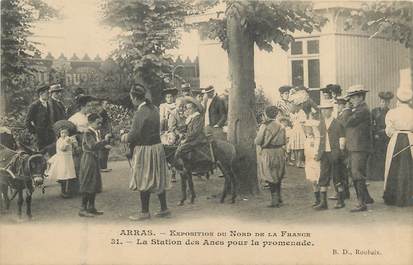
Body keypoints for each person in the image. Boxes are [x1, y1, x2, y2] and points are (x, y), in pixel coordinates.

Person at [121, 84, 171, 221]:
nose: (131, 100)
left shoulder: (140, 112)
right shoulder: (154, 108)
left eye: (131, 98)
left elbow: (135, 134)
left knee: (143, 177)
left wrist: (124, 136)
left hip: (145, 149)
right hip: (157, 147)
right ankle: (164, 208)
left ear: (134, 97)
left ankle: (144, 212)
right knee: (158, 176)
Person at [343, 85, 374, 212]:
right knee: (356, 172)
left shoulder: (362, 110)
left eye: (353, 97)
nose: (350, 100)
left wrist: (346, 109)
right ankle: (366, 198)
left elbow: (347, 122)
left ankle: (361, 203)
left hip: (359, 147)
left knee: (356, 173)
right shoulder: (358, 109)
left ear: (361, 97)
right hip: (356, 146)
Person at [383, 85, 413, 207]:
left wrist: (395, 132)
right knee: (409, 165)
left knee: (393, 165)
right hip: (410, 139)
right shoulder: (412, 112)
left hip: (396, 139)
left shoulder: (392, 112)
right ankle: (408, 196)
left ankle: (393, 196)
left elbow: (388, 131)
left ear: (398, 100)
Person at [314, 102, 346, 210]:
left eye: (326, 109)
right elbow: (319, 139)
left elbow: (342, 138)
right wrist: (317, 152)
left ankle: (341, 200)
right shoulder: (321, 124)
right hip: (324, 154)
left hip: (335, 153)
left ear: (331, 110)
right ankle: (324, 203)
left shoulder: (337, 123)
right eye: (322, 110)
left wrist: (340, 152)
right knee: (323, 176)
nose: (324, 112)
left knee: (337, 176)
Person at [78, 113, 111, 217]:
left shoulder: (95, 132)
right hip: (88, 159)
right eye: (98, 122)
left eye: (100, 122)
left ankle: (91, 207)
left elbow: (97, 145)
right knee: (88, 182)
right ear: (90, 122)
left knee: (94, 182)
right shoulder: (87, 133)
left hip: (94, 158)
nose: (100, 124)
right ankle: (82, 209)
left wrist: (104, 145)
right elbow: (92, 146)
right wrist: (105, 141)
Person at [255, 106, 287, 208]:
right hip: (280, 151)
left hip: (268, 152)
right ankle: (279, 197)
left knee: (270, 175)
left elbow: (258, 141)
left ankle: (274, 200)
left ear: (266, 115)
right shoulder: (281, 126)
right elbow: (285, 140)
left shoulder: (264, 126)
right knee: (278, 175)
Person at [368, 91, 394, 181]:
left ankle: (384, 175)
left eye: (386, 102)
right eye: (382, 102)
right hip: (376, 137)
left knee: (385, 156)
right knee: (376, 156)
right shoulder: (374, 111)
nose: (384, 104)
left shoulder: (391, 112)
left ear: (389, 103)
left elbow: (392, 126)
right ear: (380, 102)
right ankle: (375, 176)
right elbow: (370, 124)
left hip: (386, 137)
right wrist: (374, 133)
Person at [47, 127, 77, 198]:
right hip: (62, 159)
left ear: (68, 133)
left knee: (69, 176)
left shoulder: (69, 139)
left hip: (68, 159)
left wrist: (73, 143)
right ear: (60, 134)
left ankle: (69, 191)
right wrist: (67, 142)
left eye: (65, 133)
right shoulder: (59, 140)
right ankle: (63, 191)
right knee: (63, 175)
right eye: (62, 133)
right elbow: (62, 148)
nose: (63, 134)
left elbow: (74, 147)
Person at [25, 85, 55, 151]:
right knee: (42, 155)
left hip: (50, 136)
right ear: (41, 94)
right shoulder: (34, 105)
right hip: (40, 138)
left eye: (49, 93)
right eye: (47, 93)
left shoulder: (49, 104)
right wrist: (35, 132)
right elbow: (27, 122)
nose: (49, 95)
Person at [302, 115, 321, 207]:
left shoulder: (317, 139)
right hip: (309, 161)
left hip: (316, 161)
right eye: (306, 128)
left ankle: (321, 199)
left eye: (308, 128)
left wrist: (316, 155)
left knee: (317, 180)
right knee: (313, 180)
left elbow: (317, 150)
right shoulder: (307, 139)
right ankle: (317, 199)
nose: (306, 129)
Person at [287, 90, 307, 168]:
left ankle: (297, 161)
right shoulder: (302, 112)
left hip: (294, 129)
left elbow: (292, 121)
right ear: (300, 105)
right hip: (300, 129)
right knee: (301, 146)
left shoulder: (292, 113)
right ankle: (299, 161)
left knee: (296, 145)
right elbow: (303, 123)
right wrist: (305, 132)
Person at [98, 99, 113, 172]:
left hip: (107, 133)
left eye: (108, 104)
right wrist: (105, 134)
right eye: (106, 104)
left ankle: (104, 166)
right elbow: (101, 126)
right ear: (102, 105)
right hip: (104, 134)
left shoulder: (106, 113)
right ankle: (102, 167)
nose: (108, 105)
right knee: (103, 150)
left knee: (106, 150)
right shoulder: (102, 113)